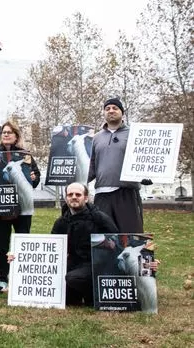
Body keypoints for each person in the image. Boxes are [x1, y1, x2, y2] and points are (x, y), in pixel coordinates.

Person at [0, 120, 40, 292]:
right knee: (2, 244)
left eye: (10, 132)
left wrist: (33, 178)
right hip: (1, 208)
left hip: (23, 208)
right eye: (4, 132)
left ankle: (21, 276)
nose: (6, 134)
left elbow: (36, 178)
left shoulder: (26, 155)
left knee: (22, 241)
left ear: (16, 136)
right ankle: (3, 278)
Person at [50, 182, 119, 306]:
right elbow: (50, 248)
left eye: (78, 194)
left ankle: (92, 293)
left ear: (86, 198)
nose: (74, 197)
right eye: (70, 194)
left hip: (95, 265)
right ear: (66, 198)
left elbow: (117, 241)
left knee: (73, 278)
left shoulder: (100, 219)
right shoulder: (61, 222)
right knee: (65, 293)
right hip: (72, 264)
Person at [87, 97, 150, 233]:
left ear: (122, 112)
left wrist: (146, 174)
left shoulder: (135, 134)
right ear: (104, 113)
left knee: (131, 234)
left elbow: (144, 158)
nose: (111, 111)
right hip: (102, 194)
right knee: (102, 237)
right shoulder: (96, 138)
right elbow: (91, 166)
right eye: (107, 109)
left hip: (126, 192)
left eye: (115, 108)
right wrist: (78, 180)